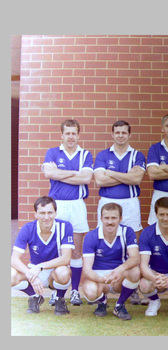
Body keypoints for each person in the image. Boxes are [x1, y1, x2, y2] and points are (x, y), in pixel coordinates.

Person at [42, 119, 93, 306]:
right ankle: (58, 291)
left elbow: (86, 177)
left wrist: (61, 173)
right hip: (58, 206)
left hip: (77, 205)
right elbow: (49, 174)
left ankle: (75, 291)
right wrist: (74, 174)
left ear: (78, 135)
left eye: (74, 133)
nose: (70, 137)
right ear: (61, 135)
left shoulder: (85, 154)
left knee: (76, 251)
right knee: (58, 250)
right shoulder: (52, 152)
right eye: (67, 133)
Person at [11, 196, 74, 316]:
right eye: (42, 213)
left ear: (55, 212)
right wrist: (31, 275)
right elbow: (14, 259)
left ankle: (59, 299)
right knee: (10, 275)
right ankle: (34, 296)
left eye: (50, 212)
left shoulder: (65, 227)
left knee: (64, 272)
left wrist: (40, 267)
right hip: (34, 270)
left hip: (55, 270)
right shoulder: (28, 228)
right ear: (35, 214)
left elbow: (66, 258)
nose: (46, 217)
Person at [81, 202, 141, 320]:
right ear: (101, 218)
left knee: (135, 272)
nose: (110, 222)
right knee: (90, 291)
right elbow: (87, 269)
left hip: (118, 275)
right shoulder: (91, 236)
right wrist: (101, 279)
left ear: (120, 218)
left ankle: (119, 305)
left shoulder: (127, 232)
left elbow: (135, 258)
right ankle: (102, 301)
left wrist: (119, 270)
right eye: (106, 218)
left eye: (114, 218)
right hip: (98, 276)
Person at [93, 120, 146, 236]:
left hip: (130, 203)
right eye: (117, 133)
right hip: (107, 202)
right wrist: (127, 175)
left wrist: (111, 173)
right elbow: (100, 181)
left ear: (129, 135)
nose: (120, 136)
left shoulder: (137, 156)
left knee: (132, 241)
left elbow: (136, 180)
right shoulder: (102, 155)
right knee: (105, 239)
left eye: (124, 133)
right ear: (112, 134)